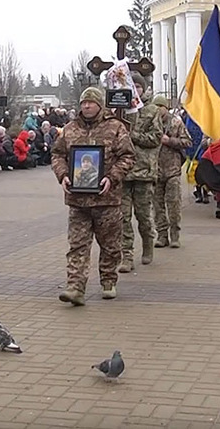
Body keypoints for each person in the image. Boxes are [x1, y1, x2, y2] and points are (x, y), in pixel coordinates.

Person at [51, 86, 135, 306]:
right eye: (83, 103)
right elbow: (57, 155)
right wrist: (63, 176)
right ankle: (75, 287)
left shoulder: (115, 128)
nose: (86, 106)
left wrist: (112, 177)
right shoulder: (69, 129)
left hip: (107, 199)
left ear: (99, 105)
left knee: (110, 244)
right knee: (77, 244)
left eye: (90, 102)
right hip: (78, 200)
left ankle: (108, 280)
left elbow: (127, 156)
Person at [120, 73, 163, 272]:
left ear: (143, 89)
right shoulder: (121, 109)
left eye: (138, 86)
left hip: (144, 171)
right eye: (132, 86)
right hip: (122, 172)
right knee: (122, 217)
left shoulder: (152, 110)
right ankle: (126, 255)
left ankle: (147, 244)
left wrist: (133, 135)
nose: (135, 89)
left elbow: (155, 138)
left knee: (144, 215)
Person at [153, 96, 191, 249]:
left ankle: (175, 234)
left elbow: (188, 141)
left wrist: (170, 141)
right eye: (155, 107)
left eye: (160, 107)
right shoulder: (150, 124)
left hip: (172, 170)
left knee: (173, 204)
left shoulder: (176, 122)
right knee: (157, 205)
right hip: (155, 170)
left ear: (165, 107)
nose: (157, 110)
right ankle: (162, 235)